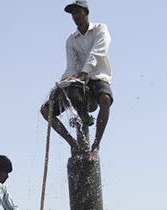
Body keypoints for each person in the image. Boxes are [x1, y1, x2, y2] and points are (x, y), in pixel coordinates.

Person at [40, 0, 113, 161]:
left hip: (97, 77)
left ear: (86, 12)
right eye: (73, 13)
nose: (75, 16)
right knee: (46, 109)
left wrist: (84, 73)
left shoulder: (100, 29)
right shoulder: (71, 40)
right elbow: (71, 67)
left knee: (105, 99)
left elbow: (97, 53)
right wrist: (60, 85)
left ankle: (95, 146)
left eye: (78, 12)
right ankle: (74, 143)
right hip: (79, 81)